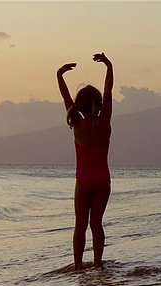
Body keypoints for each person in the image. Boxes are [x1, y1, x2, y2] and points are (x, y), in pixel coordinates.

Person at [57, 52, 113, 271]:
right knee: (96, 224)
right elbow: (108, 91)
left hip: (84, 181)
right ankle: (98, 264)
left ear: (79, 105)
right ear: (98, 103)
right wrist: (109, 66)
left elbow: (65, 98)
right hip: (103, 181)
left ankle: (78, 265)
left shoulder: (76, 122)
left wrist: (59, 75)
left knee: (80, 225)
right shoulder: (105, 121)